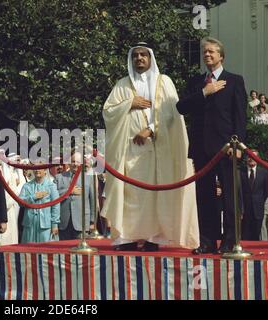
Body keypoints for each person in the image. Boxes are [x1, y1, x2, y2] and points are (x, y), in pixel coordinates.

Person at [102, 42, 199, 252]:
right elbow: (107, 112)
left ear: (150, 58)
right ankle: (126, 237)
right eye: (135, 55)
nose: (139, 59)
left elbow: (172, 113)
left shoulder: (164, 82)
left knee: (156, 195)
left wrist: (152, 129)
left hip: (158, 150)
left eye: (143, 55)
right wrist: (129, 103)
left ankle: (154, 238)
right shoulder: (122, 85)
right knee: (130, 196)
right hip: (129, 153)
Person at [177, 37, 247, 254]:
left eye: (212, 52)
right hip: (201, 148)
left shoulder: (234, 80)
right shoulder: (197, 82)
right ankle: (207, 240)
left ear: (221, 56)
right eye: (205, 52)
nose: (207, 55)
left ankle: (230, 241)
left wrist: (238, 145)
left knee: (229, 197)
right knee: (204, 196)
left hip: (227, 148)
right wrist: (205, 92)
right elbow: (181, 107)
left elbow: (240, 116)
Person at [55, 152, 95, 240]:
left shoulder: (88, 177)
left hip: (82, 222)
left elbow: (93, 200)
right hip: (63, 222)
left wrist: (92, 221)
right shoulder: (59, 177)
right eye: (73, 161)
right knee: (63, 251)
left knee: (80, 252)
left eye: (78, 161)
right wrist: (69, 191)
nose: (75, 164)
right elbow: (54, 197)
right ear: (69, 162)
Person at [19, 162, 60, 243]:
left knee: (45, 251)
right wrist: (33, 197)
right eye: (35, 168)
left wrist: (54, 224)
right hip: (29, 224)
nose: (37, 170)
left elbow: (56, 206)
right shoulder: (26, 186)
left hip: (45, 226)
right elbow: (20, 202)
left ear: (45, 170)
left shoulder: (51, 186)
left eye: (40, 168)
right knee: (28, 251)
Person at [240, 150, 268, 240]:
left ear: (258, 159)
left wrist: (259, 202)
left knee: (257, 236)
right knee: (245, 236)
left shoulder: (264, 173)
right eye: (249, 156)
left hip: (258, 210)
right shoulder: (241, 172)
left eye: (253, 156)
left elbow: (266, 191)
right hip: (245, 211)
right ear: (246, 159)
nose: (251, 159)